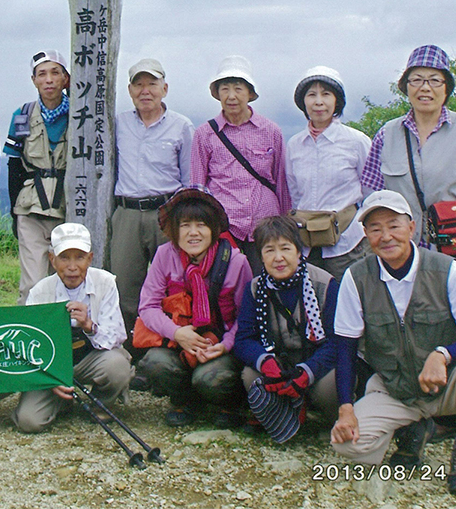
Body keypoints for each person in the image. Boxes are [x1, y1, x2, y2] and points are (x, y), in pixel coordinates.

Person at [360, 45, 456, 456]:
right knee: (426, 327)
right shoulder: (387, 135)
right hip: (409, 252)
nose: (424, 88)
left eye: (434, 80)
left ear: (447, 87)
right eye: (416, 80)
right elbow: (371, 191)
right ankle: (445, 417)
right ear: (404, 87)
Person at [331, 190, 456, 496]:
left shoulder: (447, 270)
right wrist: (346, 408)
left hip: (447, 385)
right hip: (396, 390)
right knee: (347, 445)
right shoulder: (355, 278)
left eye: (394, 226)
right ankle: (411, 430)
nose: (385, 236)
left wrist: (443, 355)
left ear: (412, 228)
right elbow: (345, 348)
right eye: (375, 228)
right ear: (365, 235)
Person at [135, 187, 253, 427]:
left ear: (214, 229)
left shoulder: (236, 262)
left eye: (201, 225)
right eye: (185, 225)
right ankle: (184, 400)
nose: (193, 233)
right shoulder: (164, 255)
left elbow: (247, 317)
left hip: (220, 345)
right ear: (174, 230)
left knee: (210, 379)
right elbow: (148, 307)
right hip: (178, 341)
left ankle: (228, 403)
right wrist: (177, 333)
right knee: (153, 363)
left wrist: (225, 345)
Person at [13, 223, 132, 433]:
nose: (72, 266)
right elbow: (31, 349)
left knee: (118, 365)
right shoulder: (39, 293)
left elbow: (117, 336)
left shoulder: (105, 282)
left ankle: (101, 403)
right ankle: (61, 399)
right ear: (52, 259)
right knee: (29, 421)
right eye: (64, 257)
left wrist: (89, 325)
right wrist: (50, 379)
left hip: (92, 358)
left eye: (79, 257)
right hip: (53, 365)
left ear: (90, 258)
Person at [111, 58, 194, 351]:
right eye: (139, 84)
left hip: (166, 213)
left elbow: (189, 179)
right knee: (124, 286)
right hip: (127, 213)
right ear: (130, 89)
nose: (145, 90)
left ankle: (165, 352)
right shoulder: (117, 123)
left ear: (165, 88)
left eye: (152, 83)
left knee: (171, 286)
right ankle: (128, 352)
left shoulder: (181, 126)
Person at [233, 216, 339, 439]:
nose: (278, 258)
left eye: (285, 248)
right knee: (250, 375)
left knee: (331, 385)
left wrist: (307, 373)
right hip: (280, 362)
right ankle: (280, 416)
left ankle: (333, 420)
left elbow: (337, 342)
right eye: (269, 250)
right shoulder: (254, 288)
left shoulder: (325, 284)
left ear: (298, 251)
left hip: (316, 363)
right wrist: (266, 362)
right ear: (261, 256)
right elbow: (244, 339)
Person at [191, 55, 291, 274]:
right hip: (224, 228)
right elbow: (198, 187)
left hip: (265, 226)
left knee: (266, 284)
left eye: (238, 88)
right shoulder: (204, 134)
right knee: (224, 289)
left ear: (249, 93)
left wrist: (286, 227)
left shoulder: (271, 131)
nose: (231, 96)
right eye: (225, 89)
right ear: (217, 93)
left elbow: (281, 181)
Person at [286, 67, 371, 281]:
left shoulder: (356, 141)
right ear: (303, 102)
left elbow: (371, 191)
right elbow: (294, 193)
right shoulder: (295, 145)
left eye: (326, 94)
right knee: (313, 305)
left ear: (337, 101)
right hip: (307, 245)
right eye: (311, 95)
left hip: (348, 244)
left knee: (349, 304)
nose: (318, 102)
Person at [4, 50, 70, 302]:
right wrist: (13, 210)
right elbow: (14, 164)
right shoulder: (22, 115)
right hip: (30, 206)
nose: (49, 80)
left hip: (69, 205)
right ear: (34, 80)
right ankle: (30, 333)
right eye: (42, 74)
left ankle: (68, 337)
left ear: (66, 78)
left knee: (67, 278)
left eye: (55, 72)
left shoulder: (80, 113)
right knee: (32, 283)